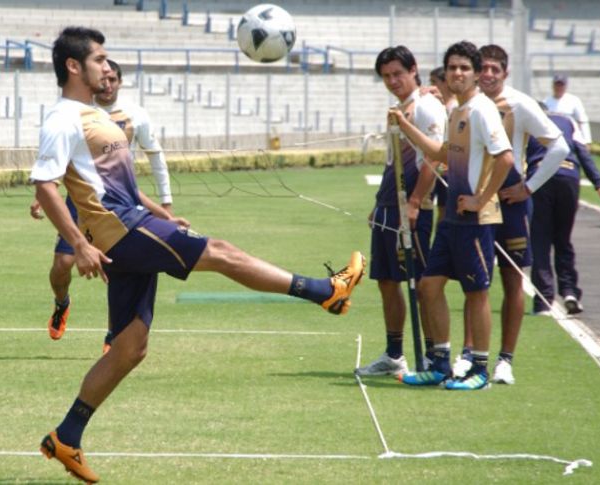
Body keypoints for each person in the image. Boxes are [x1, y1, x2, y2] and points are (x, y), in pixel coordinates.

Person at [34, 26, 365, 483]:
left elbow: (118, 188)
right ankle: (325, 291)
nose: (108, 67)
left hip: (132, 225)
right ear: (74, 66)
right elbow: (44, 186)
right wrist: (79, 243)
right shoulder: (62, 118)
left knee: (131, 348)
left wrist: (161, 213)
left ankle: (66, 436)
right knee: (221, 252)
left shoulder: (94, 114)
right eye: (100, 59)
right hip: (122, 234)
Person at [390, 40, 514, 391]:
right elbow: (442, 152)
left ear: (475, 73)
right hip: (451, 220)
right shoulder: (457, 111)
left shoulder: (481, 109)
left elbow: (504, 157)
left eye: (464, 68)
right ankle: (441, 365)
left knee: (476, 293)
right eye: (452, 68)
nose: (457, 73)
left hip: (475, 221)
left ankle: (479, 370)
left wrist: (480, 199)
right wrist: (404, 126)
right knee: (429, 287)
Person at [31, 58, 175, 353]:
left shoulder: (135, 115)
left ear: (120, 81)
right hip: (81, 199)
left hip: (119, 203)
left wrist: (166, 203)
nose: (107, 84)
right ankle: (62, 303)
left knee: (119, 267)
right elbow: (59, 163)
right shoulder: (76, 115)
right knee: (62, 266)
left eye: (113, 79)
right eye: (103, 77)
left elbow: (155, 155)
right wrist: (42, 197)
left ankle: (113, 334)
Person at [449, 44, 569, 385]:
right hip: (477, 201)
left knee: (512, 279)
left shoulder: (519, 103)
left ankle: (505, 360)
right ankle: (469, 353)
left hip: (511, 201)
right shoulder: (467, 103)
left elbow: (559, 145)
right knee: (474, 281)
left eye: (494, 70)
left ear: (504, 73)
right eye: (483, 68)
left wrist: (528, 187)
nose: (487, 74)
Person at [354, 46, 447, 377]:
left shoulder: (426, 107)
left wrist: (415, 201)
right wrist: (379, 204)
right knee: (387, 281)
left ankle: (435, 357)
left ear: (413, 70)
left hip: (412, 208)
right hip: (388, 207)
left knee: (421, 284)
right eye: (386, 76)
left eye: (398, 74)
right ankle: (394, 354)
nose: (393, 81)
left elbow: (434, 157)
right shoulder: (399, 108)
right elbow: (394, 161)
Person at [528, 106, 600, 316]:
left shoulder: (527, 120)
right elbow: (583, 153)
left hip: (540, 176)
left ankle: (543, 300)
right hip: (568, 176)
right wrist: (599, 185)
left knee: (541, 240)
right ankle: (569, 291)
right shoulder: (569, 122)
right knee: (563, 238)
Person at [428, 66, 458, 225]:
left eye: (434, 82)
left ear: (445, 83)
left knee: (446, 211)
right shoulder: (441, 105)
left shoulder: (454, 107)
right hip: (441, 168)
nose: (431, 86)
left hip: (449, 169)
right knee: (440, 210)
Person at [543, 74, 592, 145]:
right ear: (552, 86)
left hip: (571, 138)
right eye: (557, 85)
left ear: (565, 86)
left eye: (561, 85)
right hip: (553, 138)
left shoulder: (574, 100)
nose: (559, 87)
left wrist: (587, 141)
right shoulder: (546, 102)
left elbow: (582, 121)